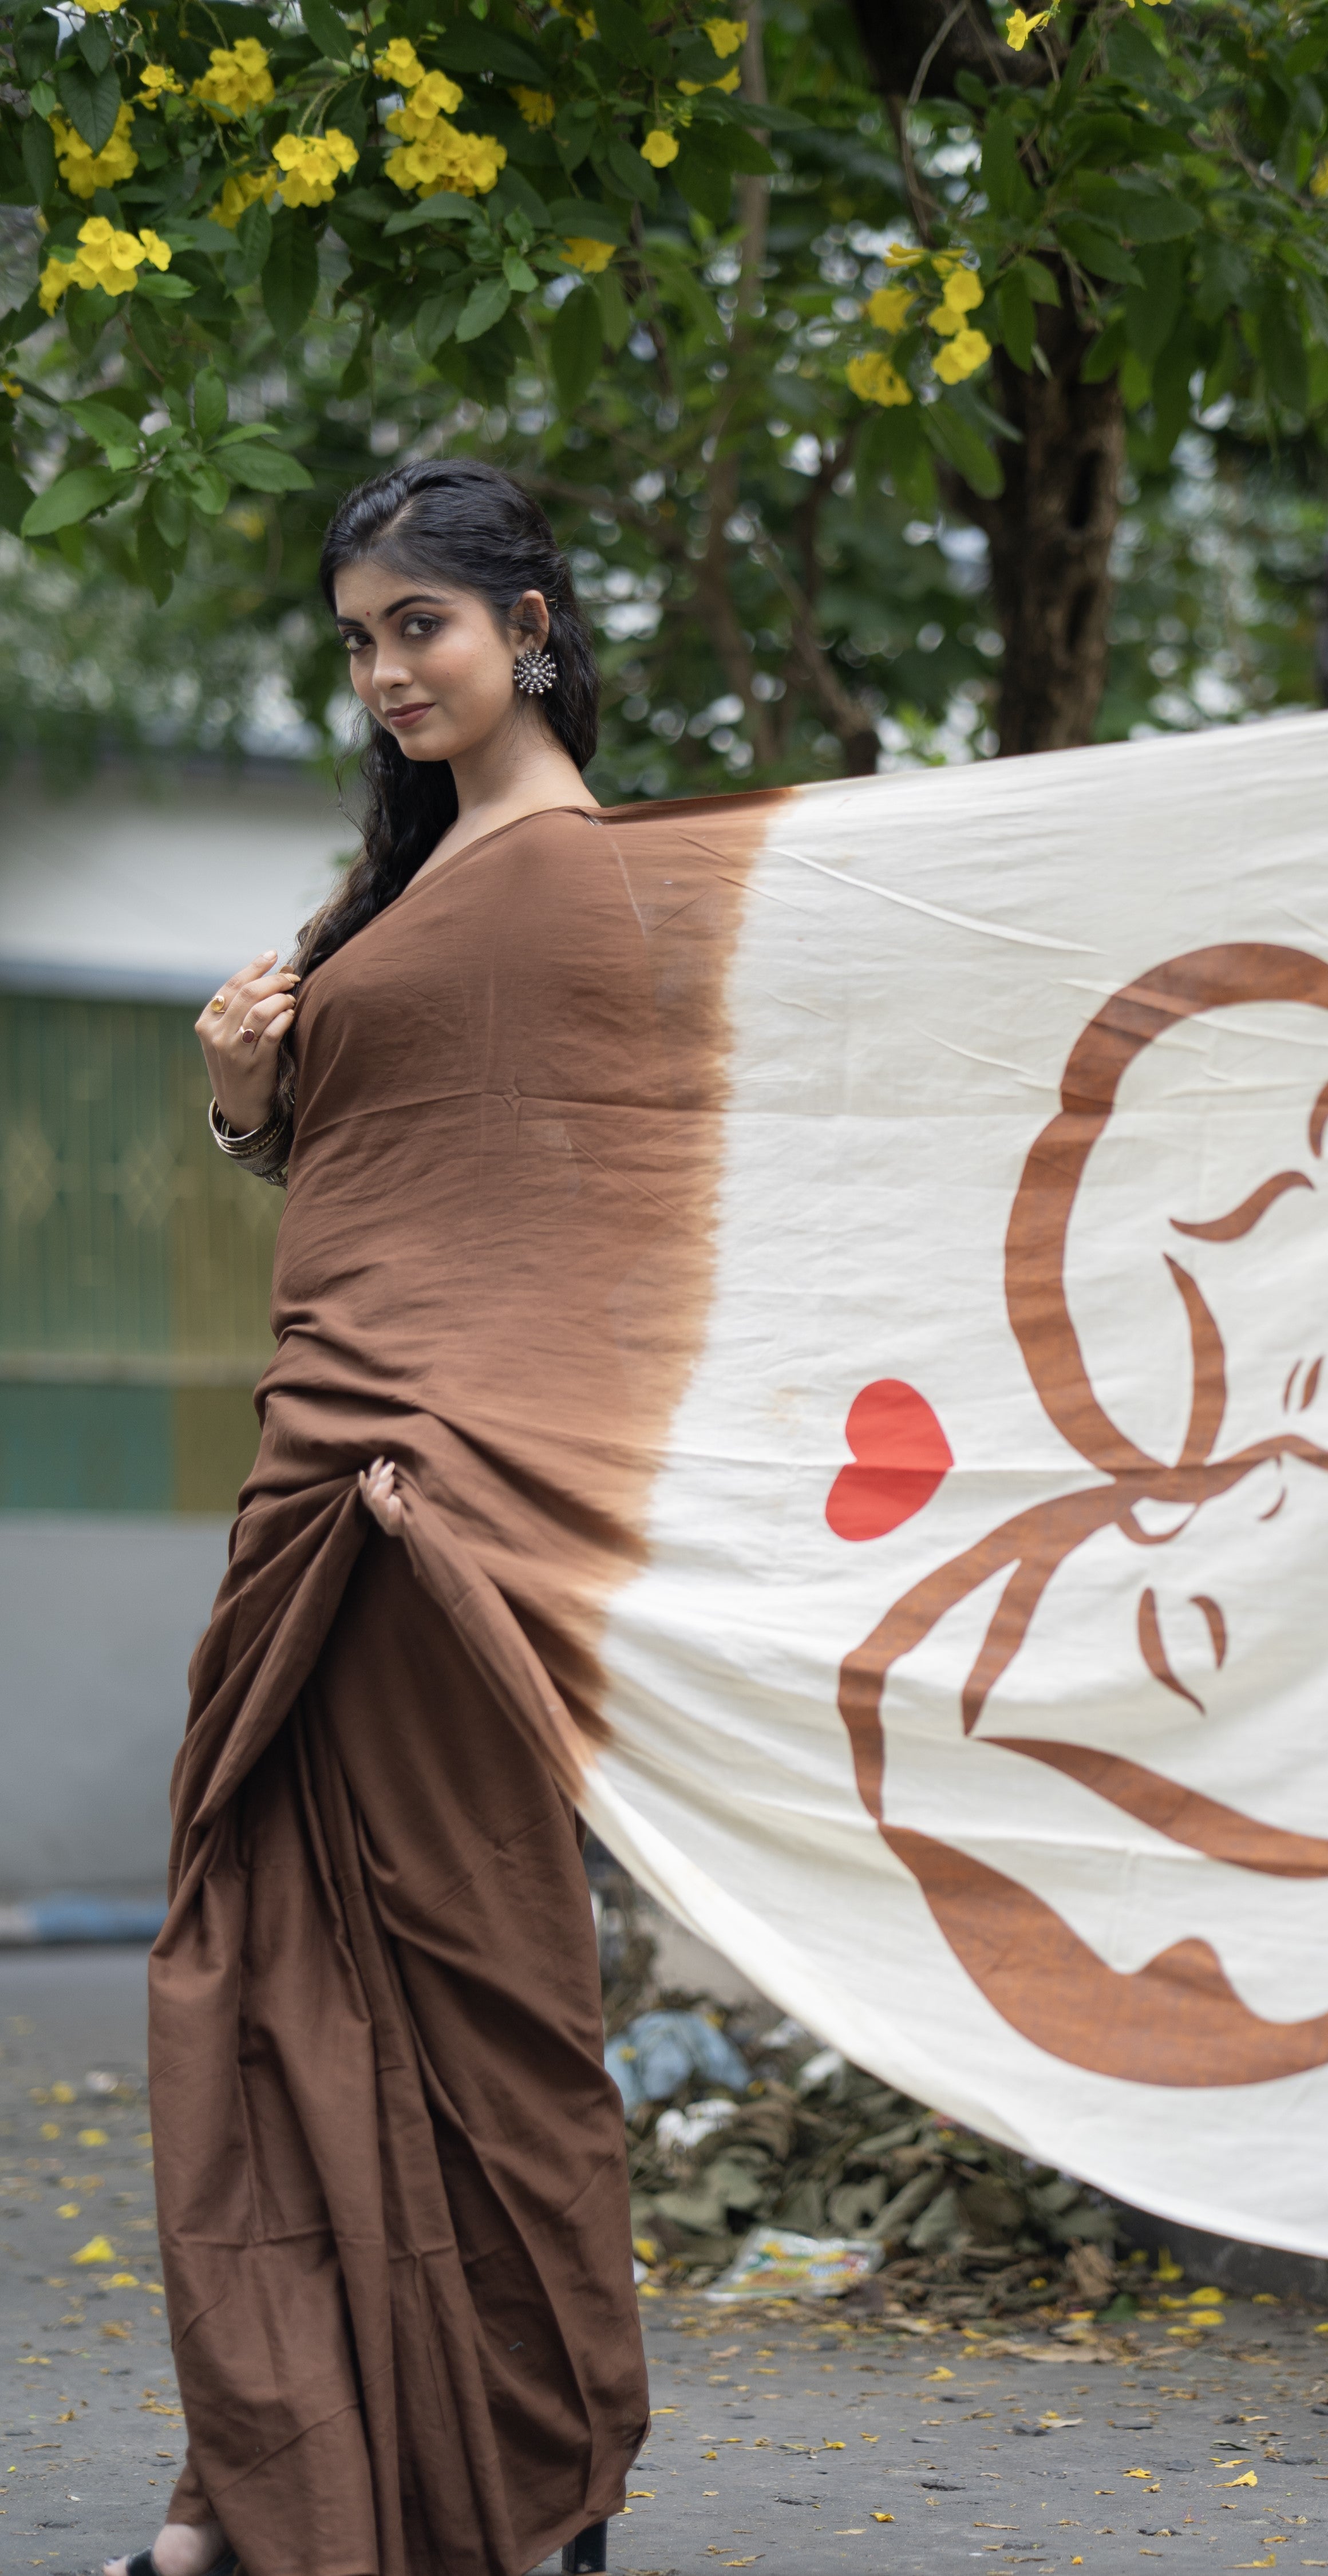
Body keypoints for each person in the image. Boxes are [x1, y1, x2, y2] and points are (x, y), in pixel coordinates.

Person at [105, 459, 772, 2576]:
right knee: (279, 1976)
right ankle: (265, 2486)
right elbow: (389, 1170)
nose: (388, 671)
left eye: (423, 626)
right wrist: (247, 1098)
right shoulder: (415, 878)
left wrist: (473, 1441)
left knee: (477, 1975)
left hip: (430, 1495)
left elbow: (597, 1217)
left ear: (529, 629)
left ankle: (535, 2471)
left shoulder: (577, 884)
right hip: (333, 1462)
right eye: (360, 639)